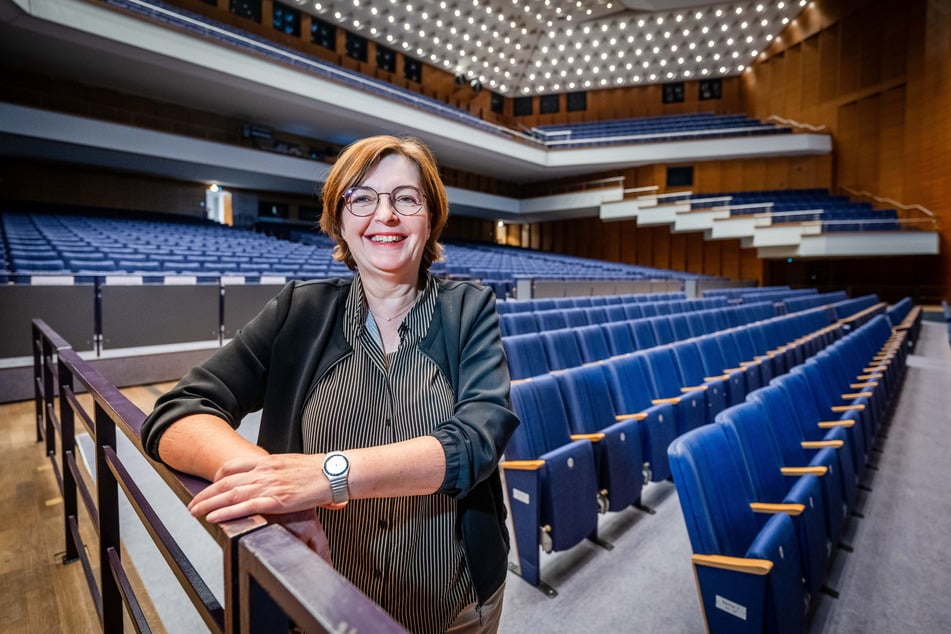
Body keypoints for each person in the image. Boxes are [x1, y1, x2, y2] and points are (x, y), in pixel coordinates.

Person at [141, 135, 519, 633]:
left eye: (406, 198)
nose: (385, 215)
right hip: (320, 599)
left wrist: (328, 474)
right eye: (361, 198)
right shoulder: (300, 311)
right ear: (338, 219)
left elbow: (477, 440)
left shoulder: (468, 308)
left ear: (430, 218)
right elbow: (178, 412)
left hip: (456, 604)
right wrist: (272, 483)